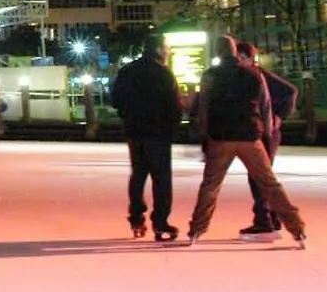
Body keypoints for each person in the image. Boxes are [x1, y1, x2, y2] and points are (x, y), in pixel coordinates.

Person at [185, 35, 307, 249]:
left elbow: (203, 108)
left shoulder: (211, 75)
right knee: (270, 184)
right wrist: (266, 133)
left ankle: (197, 229)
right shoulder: (254, 74)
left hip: (221, 137)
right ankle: (297, 229)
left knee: (210, 186)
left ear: (217, 52)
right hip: (250, 136)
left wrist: (204, 136)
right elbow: (265, 105)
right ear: (235, 51)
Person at [110, 38, 183, 241]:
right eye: (166, 48)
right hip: (158, 132)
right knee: (161, 179)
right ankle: (160, 222)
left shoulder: (128, 71)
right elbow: (174, 105)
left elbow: (115, 100)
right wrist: (173, 125)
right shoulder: (163, 73)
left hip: (134, 130)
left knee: (138, 175)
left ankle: (136, 217)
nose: (168, 51)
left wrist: (128, 115)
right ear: (158, 49)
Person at [237, 41, 298, 241]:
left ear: (249, 58)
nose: (238, 62)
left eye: (241, 58)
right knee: (262, 177)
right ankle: (271, 219)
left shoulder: (259, 75)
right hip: (262, 131)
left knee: (260, 178)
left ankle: (265, 221)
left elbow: (290, 91)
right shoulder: (249, 76)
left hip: (267, 133)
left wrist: (278, 116)